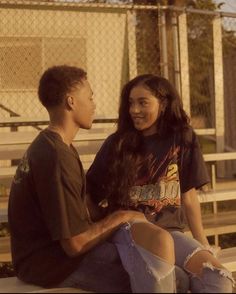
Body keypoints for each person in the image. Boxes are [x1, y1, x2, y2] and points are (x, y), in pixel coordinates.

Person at [9, 66, 182, 293]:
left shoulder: (54, 145)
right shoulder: (55, 156)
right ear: (71, 102)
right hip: (51, 264)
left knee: (168, 267)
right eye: (89, 97)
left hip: (50, 257)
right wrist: (122, 216)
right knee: (171, 278)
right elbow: (75, 244)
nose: (94, 104)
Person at [86, 74, 235, 293]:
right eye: (130, 103)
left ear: (163, 104)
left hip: (170, 232)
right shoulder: (116, 144)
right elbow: (89, 192)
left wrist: (203, 244)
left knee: (219, 280)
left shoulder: (182, 138)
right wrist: (104, 226)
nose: (134, 110)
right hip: (129, 233)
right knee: (174, 280)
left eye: (142, 102)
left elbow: (189, 196)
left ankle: (174, 271)